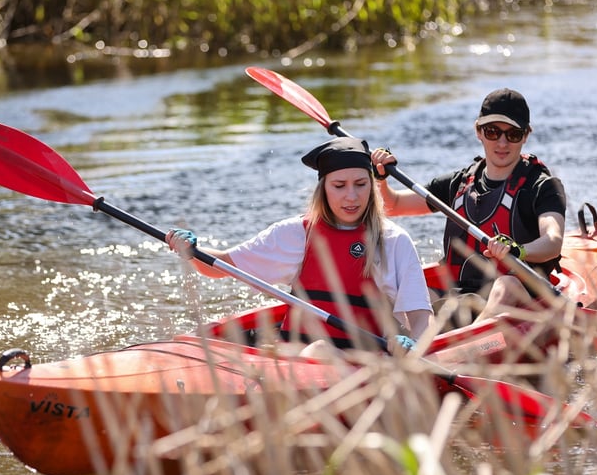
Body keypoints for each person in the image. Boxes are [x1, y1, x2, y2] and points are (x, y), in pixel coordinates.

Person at [166, 136, 434, 355]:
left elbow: (421, 317)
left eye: (361, 184)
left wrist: (414, 346)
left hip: (364, 357)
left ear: (371, 187)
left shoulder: (392, 240)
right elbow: (221, 266)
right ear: (323, 189)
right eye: (339, 185)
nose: (351, 196)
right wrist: (191, 251)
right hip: (295, 356)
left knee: (318, 351)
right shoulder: (295, 234)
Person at [371, 88, 566, 322]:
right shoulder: (458, 184)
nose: (502, 142)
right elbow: (393, 205)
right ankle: (405, 344)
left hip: (519, 301)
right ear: (478, 131)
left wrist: (519, 250)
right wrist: (380, 177)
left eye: (513, 134)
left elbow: (552, 242)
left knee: (507, 284)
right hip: (461, 295)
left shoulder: (541, 186)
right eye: (493, 132)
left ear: (526, 135)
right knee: (403, 292)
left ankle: (466, 348)